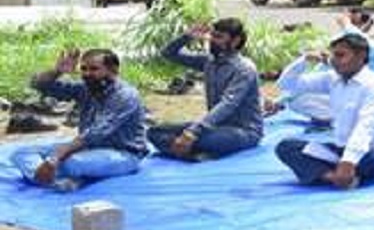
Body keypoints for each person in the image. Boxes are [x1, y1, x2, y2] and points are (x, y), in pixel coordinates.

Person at [274, 33, 374, 187]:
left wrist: (348, 162)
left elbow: (366, 127)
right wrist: (304, 62)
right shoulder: (332, 78)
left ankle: (339, 170)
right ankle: (333, 177)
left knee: (368, 157)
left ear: (361, 56)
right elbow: (287, 84)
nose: (334, 61)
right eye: (333, 55)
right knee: (287, 147)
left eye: (340, 55)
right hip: (341, 150)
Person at [12, 48, 147, 191]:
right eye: (84, 69)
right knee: (21, 153)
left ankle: (49, 176)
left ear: (113, 70)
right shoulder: (86, 88)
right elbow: (39, 85)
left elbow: (96, 133)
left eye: (94, 69)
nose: (87, 74)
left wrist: (54, 159)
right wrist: (57, 71)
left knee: (71, 162)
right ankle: (54, 181)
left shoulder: (125, 95)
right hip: (88, 148)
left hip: (124, 154)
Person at [151, 19, 262, 160]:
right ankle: (194, 154)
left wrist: (192, 132)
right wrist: (187, 37)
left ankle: (187, 150)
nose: (212, 40)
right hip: (213, 127)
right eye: (212, 35)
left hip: (244, 132)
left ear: (235, 41)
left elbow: (227, 104)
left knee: (199, 140)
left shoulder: (245, 69)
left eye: (219, 37)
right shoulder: (208, 61)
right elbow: (167, 54)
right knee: (154, 132)